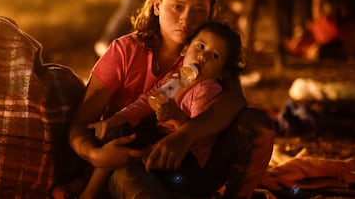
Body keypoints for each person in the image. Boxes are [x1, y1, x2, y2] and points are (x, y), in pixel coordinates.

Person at [51, 0, 274, 199]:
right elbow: (80, 126)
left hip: (192, 164)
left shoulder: (208, 55)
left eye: (198, 11)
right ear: (157, 5)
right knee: (134, 181)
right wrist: (95, 156)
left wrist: (184, 135)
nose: (186, 20)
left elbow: (234, 100)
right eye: (177, 7)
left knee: (256, 123)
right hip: (131, 162)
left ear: (210, 14)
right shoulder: (125, 52)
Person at [80, 20, 247, 199]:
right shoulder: (176, 79)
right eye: (200, 46)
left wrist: (176, 116)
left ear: (223, 73)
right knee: (117, 132)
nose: (203, 57)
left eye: (215, 56)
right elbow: (146, 102)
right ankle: (90, 189)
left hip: (186, 162)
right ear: (185, 49)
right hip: (160, 141)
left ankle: (92, 190)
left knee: (145, 163)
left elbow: (197, 138)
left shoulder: (207, 89)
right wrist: (116, 119)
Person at [284, 0, 351, 61]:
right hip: (316, 30)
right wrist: (301, 32)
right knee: (294, 45)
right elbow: (307, 18)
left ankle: (320, 51)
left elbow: (341, 11)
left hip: (332, 31)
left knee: (321, 49)